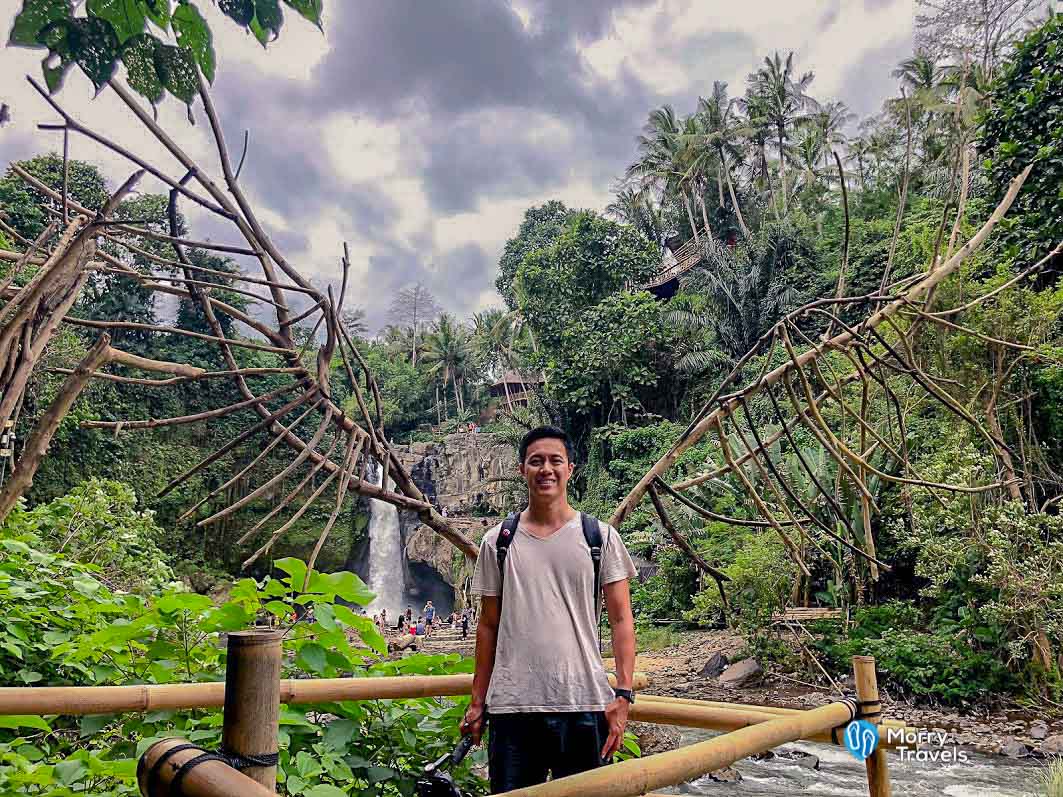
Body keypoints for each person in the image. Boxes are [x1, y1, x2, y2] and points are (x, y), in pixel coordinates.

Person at [460, 426, 637, 791]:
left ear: (570, 469)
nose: (546, 469)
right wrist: (477, 702)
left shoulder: (599, 537)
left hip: (584, 703)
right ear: (522, 469)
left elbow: (621, 620)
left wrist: (623, 695)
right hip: (513, 708)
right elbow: (487, 626)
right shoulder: (498, 541)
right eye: (535, 461)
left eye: (555, 460)